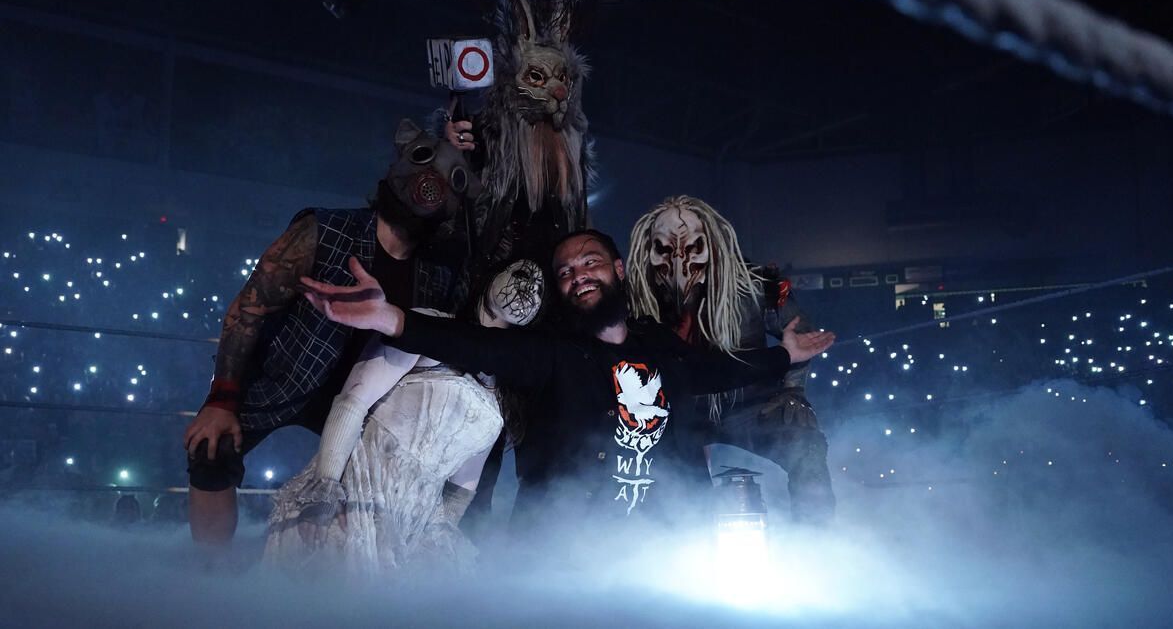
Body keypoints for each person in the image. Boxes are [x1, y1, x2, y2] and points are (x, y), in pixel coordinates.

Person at [299, 229, 835, 542]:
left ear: (618, 271)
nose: (577, 274)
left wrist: (783, 354)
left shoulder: (660, 348)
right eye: (565, 271)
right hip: (561, 549)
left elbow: (717, 370)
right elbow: (477, 345)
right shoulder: (552, 354)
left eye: (590, 262)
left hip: (669, 542)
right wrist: (393, 319)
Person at [182, 120, 474, 546]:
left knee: (376, 484)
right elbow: (249, 308)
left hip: (366, 397)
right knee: (211, 449)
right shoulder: (325, 229)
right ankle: (210, 574)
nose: (427, 189)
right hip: (285, 374)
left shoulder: (441, 272)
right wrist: (222, 399)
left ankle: (341, 582)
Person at [262, 259, 545, 575]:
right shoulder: (426, 326)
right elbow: (353, 401)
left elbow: (465, 479)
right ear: (493, 275)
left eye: (539, 288)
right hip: (360, 490)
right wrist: (326, 486)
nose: (528, 290)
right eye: (522, 275)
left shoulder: (505, 387)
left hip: (416, 521)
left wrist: (443, 527)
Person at [626, 195, 836, 524]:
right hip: (675, 410)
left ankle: (815, 544)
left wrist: (792, 393)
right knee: (667, 483)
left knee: (805, 448)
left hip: (748, 406)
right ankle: (668, 550)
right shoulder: (637, 292)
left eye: (693, 247)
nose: (679, 261)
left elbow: (801, 336)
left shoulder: (754, 283)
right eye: (665, 249)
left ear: (712, 242)